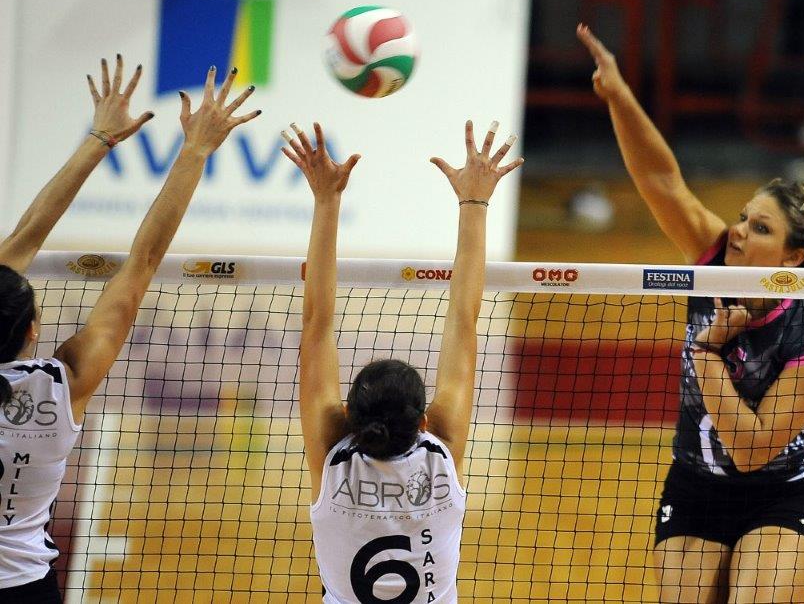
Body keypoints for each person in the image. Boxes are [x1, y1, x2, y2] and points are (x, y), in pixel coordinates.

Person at [577, 24, 804, 604]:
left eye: (761, 228)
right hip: (695, 488)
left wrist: (707, 354)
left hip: (778, 493)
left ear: (795, 257)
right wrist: (620, 95)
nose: (741, 233)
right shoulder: (715, 259)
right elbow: (660, 180)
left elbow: (751, 451)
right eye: (745, 218)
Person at [0, 58, 259, 602]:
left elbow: (23, 237)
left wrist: (97, 139)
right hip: (24, 587)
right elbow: (142, 264)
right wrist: (194, 152)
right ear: (33, 331)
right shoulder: (62, 383)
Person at [283, 119, 521, 604]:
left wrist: (326, 201)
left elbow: (316, 324)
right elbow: (464, 318)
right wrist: (474, 203)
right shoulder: (442, 455)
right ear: (426, 421)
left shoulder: (334, 459)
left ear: (348, 416)